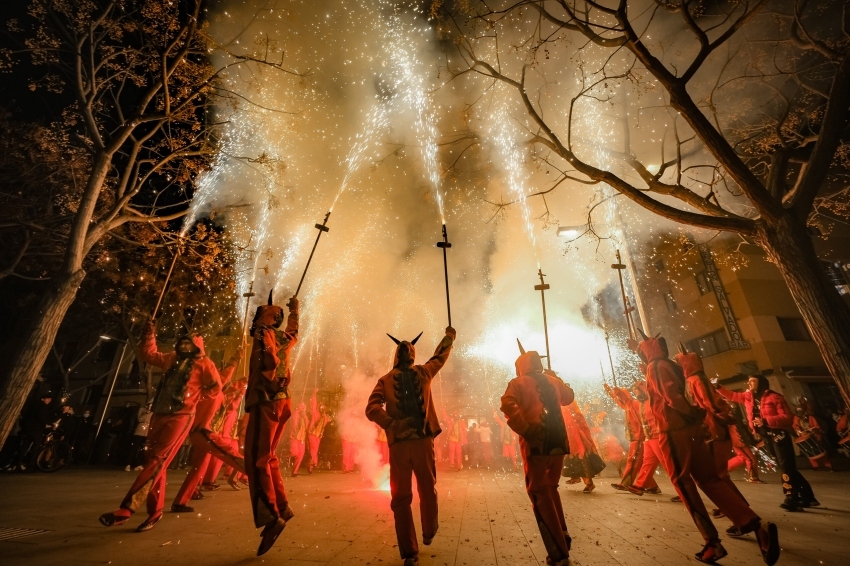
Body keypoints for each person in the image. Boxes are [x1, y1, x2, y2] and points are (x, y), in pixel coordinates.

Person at [634, 334, 779, 565]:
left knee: (683, 483)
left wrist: (694, 414)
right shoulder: (669, 366)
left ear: (648, 351)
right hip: (690, 430)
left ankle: (712, 542)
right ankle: (756, 528)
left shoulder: (656, 367)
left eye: (641, 350)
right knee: (710, 479)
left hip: (672, 431)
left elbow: (671, 399)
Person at [99, 322, 221, 532]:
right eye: (181, 344)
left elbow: (216, 387)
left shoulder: (205, 364)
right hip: (159, 414)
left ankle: (127, 509)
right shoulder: (170, 358)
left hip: (181, 417)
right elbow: (148, 354)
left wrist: (196, 400)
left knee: (157, 460)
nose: (183, 347)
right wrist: (149, 334)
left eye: (188, 344)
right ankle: (155, 512)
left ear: (197, 346)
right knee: (155, 462)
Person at [366, 327, 455, 566]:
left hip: (405, 444)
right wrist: (448, 338)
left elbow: (372, 409)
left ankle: (415, 545)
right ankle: (421, 538)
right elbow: (439, 357)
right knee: (415, 492)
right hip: (415, 444)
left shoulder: (388, 379)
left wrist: (392, 425)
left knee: (409, 494)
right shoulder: (422, 372)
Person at [500, 350, 574, 566]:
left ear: (521, 365)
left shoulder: (517, 382)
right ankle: (563, 533)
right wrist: (556, 377)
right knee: (552, 488)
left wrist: (525, 429)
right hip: (559, 445)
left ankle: (558, 551)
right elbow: (569, 397)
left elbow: (507, 405)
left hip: (536, 446)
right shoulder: (553, 381)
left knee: (539, 493)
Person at [244, 292, 299, 556]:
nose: (254, 317)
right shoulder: (284, 337)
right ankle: (282, 508)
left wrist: (270, 380)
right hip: (282, 401)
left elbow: (268, 359)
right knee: (269, 457)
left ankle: (270, 516)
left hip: (266, 399)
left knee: (256, 459)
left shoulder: (262, 333)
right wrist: (295, 310)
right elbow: (294, 331)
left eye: (259, 313)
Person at [717, 374, 817, 512]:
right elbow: (732, 396)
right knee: (785, 466)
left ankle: (791, 498)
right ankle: (808, 496)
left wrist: (766, 421)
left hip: (778, 435)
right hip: (766, 436)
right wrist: (718, 387)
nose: (749, 383)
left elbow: (787, 417)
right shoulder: (748, 397)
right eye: (749, 381)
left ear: (761, 383)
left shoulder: (775, 397)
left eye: (752, 381)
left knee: (786, 466)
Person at [675, 348, 749, 516]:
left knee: (717, 474)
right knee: (718, 473)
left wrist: (723, 416)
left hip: (714, 430)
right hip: (712, 429)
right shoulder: (694, 379)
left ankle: (738, 510)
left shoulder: (696, 379)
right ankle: (736, 504)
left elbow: (712, 402)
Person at [170, 348, 245, 512]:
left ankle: (182, 500)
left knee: (198, 468)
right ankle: (256, 474)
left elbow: (230, 387)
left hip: (202, 433)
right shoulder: (208, 392)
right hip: (204, 432)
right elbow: (225, 381)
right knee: (230, 453)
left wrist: (243, 381)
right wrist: (234, 360)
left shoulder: (216, 393)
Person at [203, 367, 248, 489]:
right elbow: (231, 406)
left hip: (231, 434)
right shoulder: (222, 398)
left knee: (236, 456)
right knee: (216, 459)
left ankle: (232, 477)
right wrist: (240, 394)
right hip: (223, 433)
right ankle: (207, 480)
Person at [623, 380, 662, 496]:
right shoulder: (640, 403)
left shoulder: (653, 401)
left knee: (668, 464)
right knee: (648, 462)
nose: (635, 393)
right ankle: (640, 486)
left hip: (657, 436)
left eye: (637, 390)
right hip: (649, 437)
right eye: (634, 390)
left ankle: (683, 489)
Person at [603, 382, 645, 490]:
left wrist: (619, 393)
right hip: (637, 437)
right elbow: (619, 401)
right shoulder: (627, 405)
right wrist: (610, 392)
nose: (635, 391)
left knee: (633, 460)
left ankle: (626, 483)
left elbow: (624, 399)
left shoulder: (634, 404)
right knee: (639, 462)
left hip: (639, 437)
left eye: (637, 389)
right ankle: (651, 485)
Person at [560, 400, 602, 493]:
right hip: (568, 434)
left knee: (581, 454)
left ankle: (589, 484)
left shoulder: (569, 402)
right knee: (570, 454)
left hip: (576, 434)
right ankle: (575, 476)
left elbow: (578, 418)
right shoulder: (560, 403)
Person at [793, 406, 833, 471]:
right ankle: (815, 466)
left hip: (815, 436)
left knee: (821, 451)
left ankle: (829, 466)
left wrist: (813, 431)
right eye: (798, 411)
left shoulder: (810, 417)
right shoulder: (796, 418)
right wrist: (798, 431)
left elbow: (816, 426)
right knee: (810, 452)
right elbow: (795, 426)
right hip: (805, 436)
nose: (800, 412)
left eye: (801, 410)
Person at [307, 390, 331, 473]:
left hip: (318, 435)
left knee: (315, 450)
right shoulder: (315, 413)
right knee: (313, 449)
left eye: (323, 407)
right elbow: (312, 405)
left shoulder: (324, 416)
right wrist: (314, 394)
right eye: (321, 407)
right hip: (312, 433)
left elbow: (327, 420)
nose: (322, 408)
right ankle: (313, 462)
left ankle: (311, 465)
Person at [126, 403, 152, 472]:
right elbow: (140, 419)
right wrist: (146, 413)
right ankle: (128, 464)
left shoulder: (152, 413)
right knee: (134, 448)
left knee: (143, 449)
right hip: (139, 431)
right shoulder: (142, 410)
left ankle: (138, 464)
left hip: (146, 432)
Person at [288, 402, 308, 476]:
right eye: (302, 407)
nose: (304, 408)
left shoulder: (304, 416)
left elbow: (306, 425)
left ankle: (294, 471)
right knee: (294, 452)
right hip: (294, 437)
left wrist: (304, 415)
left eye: (304, 407)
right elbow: (294, 422)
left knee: (300, 455)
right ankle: (286, 456)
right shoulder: (295, 413)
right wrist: (298, 412)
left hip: (301, 438)